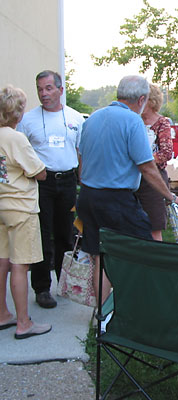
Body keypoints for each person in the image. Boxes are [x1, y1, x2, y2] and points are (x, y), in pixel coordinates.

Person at [77, 76, 178, 304]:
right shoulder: (132, 121)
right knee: (142, 250)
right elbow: (147, 167)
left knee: (99, 257)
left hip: (88, 195)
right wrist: (170, 195)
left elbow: (81, 158)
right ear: (142, 99)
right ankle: (143, 307)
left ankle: (101, 317)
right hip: (116, 200)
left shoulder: (93, 118)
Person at [17, 71, 84, 309]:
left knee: (66, 234)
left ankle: (64, 283)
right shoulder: (27, 120)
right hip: (41, 183)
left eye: (48, 88)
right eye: (40, 89)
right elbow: (21, 154)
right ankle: (42, 288)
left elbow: (80, 153)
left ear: (60, 90)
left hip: (67, 182)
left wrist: (82, 182)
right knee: (42, 236)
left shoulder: (76, 119)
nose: (43, 94)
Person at [0, 85, 51, 339]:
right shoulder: (16, 137)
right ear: (17, 112)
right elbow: (39, 172)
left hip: (1, 205)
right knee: (20, 265)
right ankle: (23, 323)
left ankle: (2, 313)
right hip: (21, 207)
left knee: (2, 261)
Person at [135, 83, 174, 241]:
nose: (139, 103)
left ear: (151, 101)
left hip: (153, 180)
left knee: (154, 225)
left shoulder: (162, 123)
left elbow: (166, 153)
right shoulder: (134, 120)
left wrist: (143, 162)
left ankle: (155, 260)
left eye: (143, 99)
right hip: (132, 178)